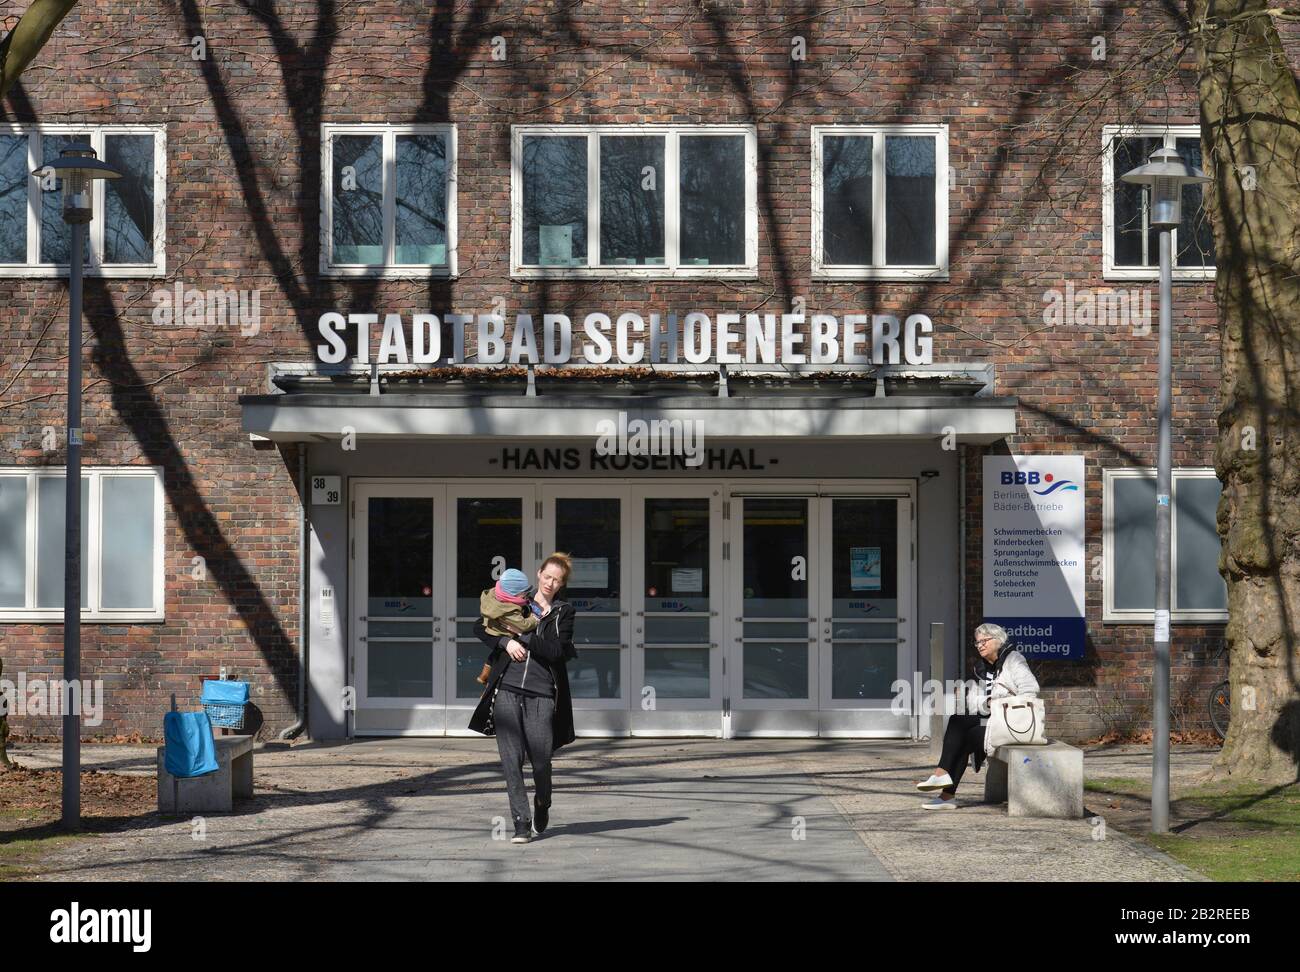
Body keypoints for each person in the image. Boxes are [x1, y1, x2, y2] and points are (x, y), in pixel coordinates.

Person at [468, 552, 578, 843]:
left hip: (542, 694)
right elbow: (479, 626)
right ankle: (521, 822)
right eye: (547, 576)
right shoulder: (516, 598)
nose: (550, 583)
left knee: (541, 760)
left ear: (561, 584)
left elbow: (557, 651)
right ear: (539, 574)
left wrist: (524, 636)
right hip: (507, 688)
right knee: (510, 761)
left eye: (557, 580)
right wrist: (505, 642)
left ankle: (543, 802)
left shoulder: (563, 612)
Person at [915, 622, 1039, 809]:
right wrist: (987, 702)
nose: (980, 645)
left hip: (1015, 724)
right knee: (962, 732)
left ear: (998, 641)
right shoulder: (982, 668)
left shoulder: (1013, 660)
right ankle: (945, 793)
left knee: (959, 724)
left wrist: (997, 702)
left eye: (984, 641)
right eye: (977, 642)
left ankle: (944, 785)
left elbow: (1031, 691)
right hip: (994, 721)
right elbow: (974, 703)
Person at [476, 567, 541, 684]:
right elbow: (524, 625)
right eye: (524, 594)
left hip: (493, 630)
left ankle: (484, 675)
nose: (526, 597)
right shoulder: (509, 610)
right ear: (513, 595)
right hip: (503, 633)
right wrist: (535, 619)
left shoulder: (495, 597)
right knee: (500, 653)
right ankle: (486, 679)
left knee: (495, 653)